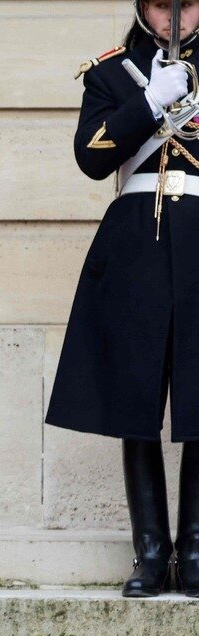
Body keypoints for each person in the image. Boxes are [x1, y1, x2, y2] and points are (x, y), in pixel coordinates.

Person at [47, 0, 199, 599]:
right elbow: (92, 159)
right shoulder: (113, 73)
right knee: (135, 397)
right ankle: (150, 550)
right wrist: (149, 102)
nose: (174, 20)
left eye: (185, 6)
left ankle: (193, 551)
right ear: (142, 9)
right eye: (162, 6)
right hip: (138, 233)